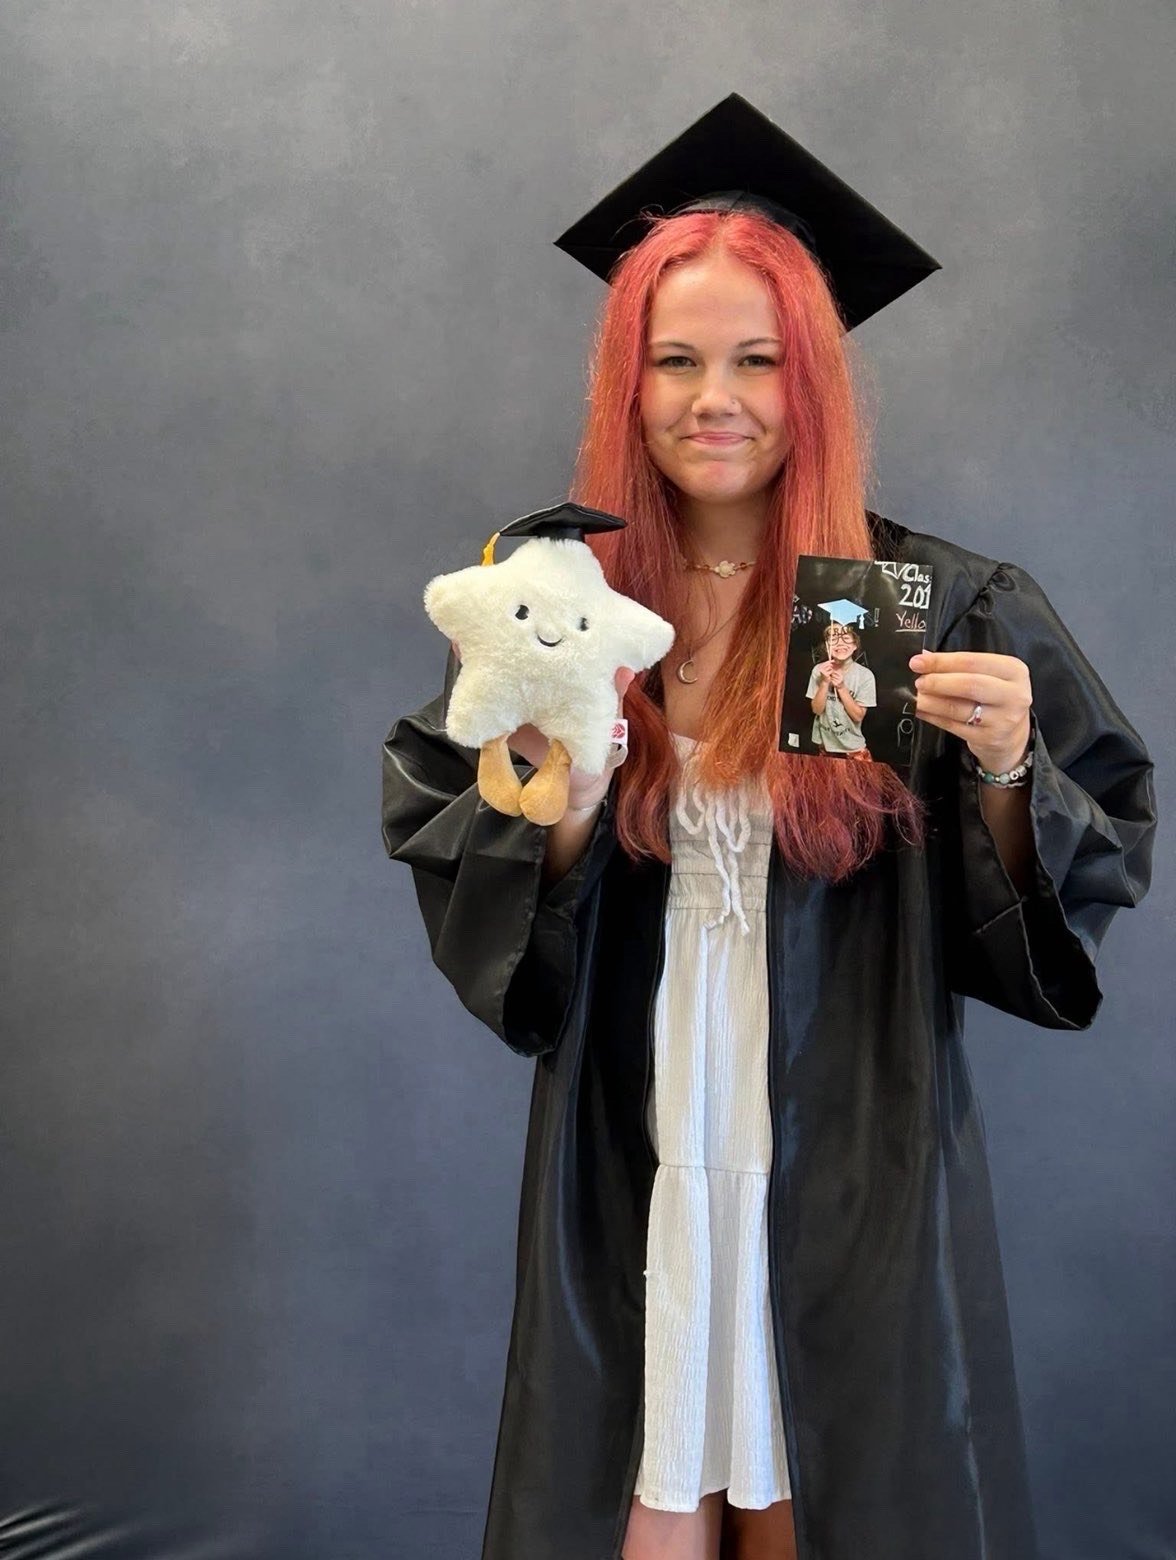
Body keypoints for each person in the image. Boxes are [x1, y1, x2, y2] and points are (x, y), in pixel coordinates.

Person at [381, 98, 1156, 1560]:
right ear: (629, 382)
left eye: (758, 360)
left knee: (825, 1508)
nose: (713, 398)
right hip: (636, 1141)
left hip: (850, 1145)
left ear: (815, 381)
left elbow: (1072, 883)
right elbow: (480, 881)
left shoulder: (930, 607)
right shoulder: (565, 607)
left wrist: (1007, 766)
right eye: (674, 360)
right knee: (638, 1507)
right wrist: (566, 803)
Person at [806, 624, 876, 760]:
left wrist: (841, 688)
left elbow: (858, 716)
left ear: (855, 645)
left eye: (846, 638)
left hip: (853, 749)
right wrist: (824, 682)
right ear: (827, 646)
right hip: (824, 747)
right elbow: (817, 710)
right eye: (834, 639)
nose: (840, 643)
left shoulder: (865, 675)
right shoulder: (818, 670)